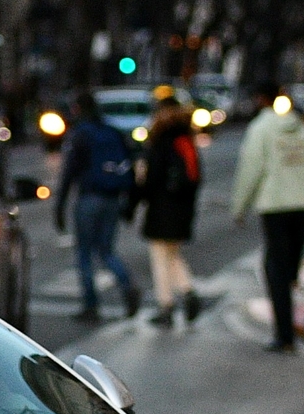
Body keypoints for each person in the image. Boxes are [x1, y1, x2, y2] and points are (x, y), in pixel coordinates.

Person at [231, 86, 304, 350]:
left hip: (275, 204)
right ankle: (288, 319)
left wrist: (240, 206)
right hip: (301, 204)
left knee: (275, 269)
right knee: (290, 265)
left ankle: (284, 333)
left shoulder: (261, 129)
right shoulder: (301, 129)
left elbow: (251, 168)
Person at [59, 91, 141, 319]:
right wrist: (130, 204)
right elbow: (130, 167)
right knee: (106, 251)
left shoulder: (80, 135)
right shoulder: (112, 132)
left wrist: (60, 206)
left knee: (84, 253)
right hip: (112, 198)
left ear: (78, 109)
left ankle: (91, 304)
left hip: (89, 198)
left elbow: (69, 172)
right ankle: (127, 285)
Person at [130, 99, 203, 326]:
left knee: (160, 257)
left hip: (162, 208)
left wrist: (134, 202)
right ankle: (188, 293)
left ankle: (166, 306)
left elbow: (149, 180)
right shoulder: (186, 140)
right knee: (171, 254)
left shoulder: (161, 142)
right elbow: (196, 177)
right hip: (183, 208)